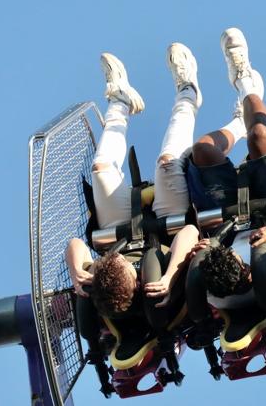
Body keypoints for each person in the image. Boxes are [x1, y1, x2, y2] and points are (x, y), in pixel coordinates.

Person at [65, 44, 207, 317]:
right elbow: (190, 232)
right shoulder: (156, 278)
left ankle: (120, 101)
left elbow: (75, 244)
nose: (118, 261)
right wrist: (169, 276)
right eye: (124, 266)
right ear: (135, 281)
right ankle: (188, 92)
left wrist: (76, 274)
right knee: (167, 162)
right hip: (170, 224)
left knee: (100, 169)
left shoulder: (103, 276)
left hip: (116, 229)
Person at [187, 28, 266, 310]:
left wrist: (205, 248)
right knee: (259, 136)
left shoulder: (214, 293)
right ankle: (246, 82)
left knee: (201, 150)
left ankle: (238, 123)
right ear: (249, 273)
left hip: (230, 220)